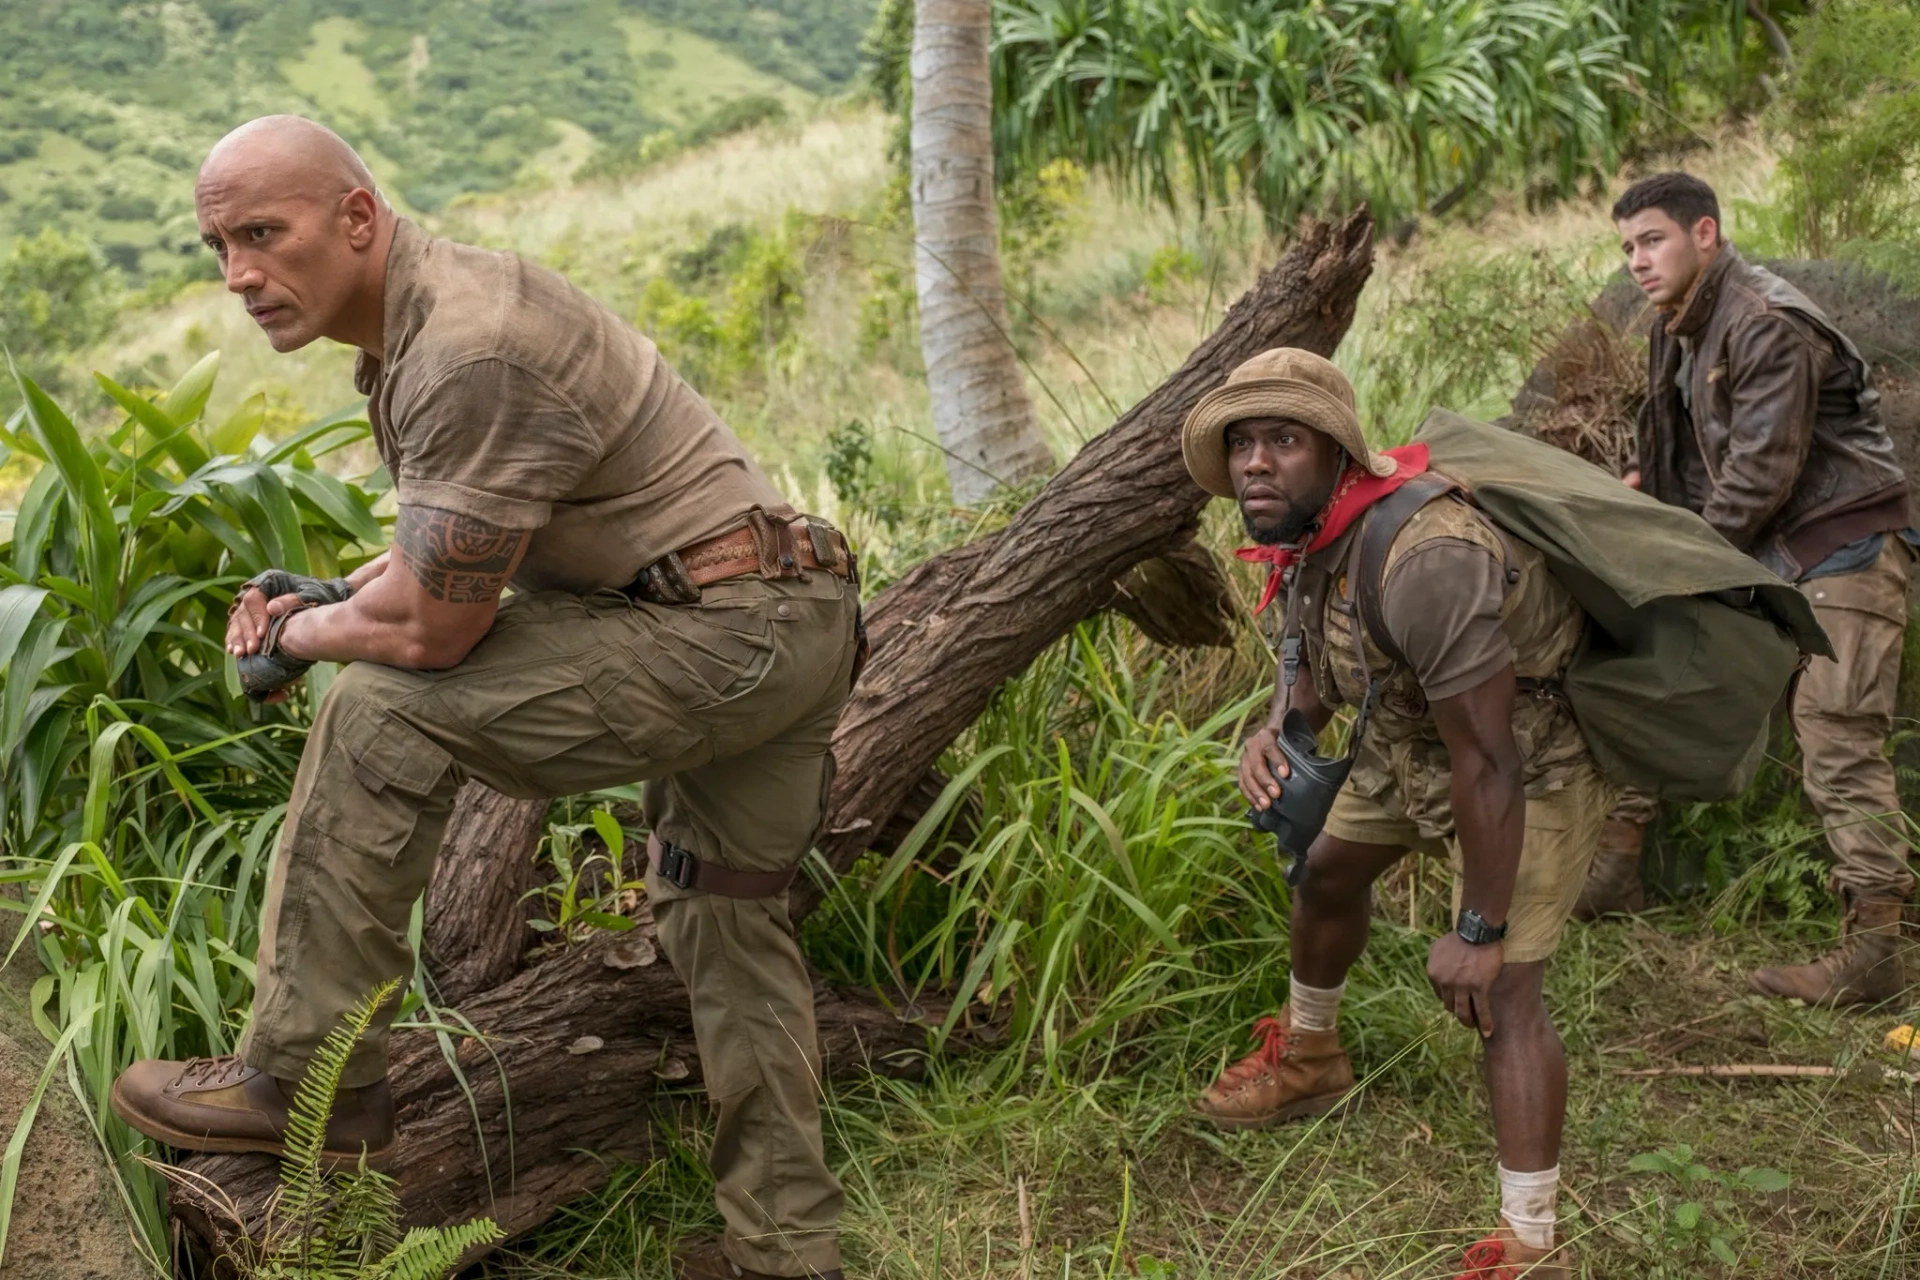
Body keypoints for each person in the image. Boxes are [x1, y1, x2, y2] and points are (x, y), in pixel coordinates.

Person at [107, 116, 859, 1280]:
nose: (238, 275)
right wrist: (330, 588)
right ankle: (788, 1245)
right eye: (216, 245)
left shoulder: (465, 346)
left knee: (380, 707)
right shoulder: (433, 313)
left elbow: (429, 624)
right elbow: (461, 543)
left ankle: (310, 1082)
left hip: (721, 637)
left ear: (356, 216)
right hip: (786, 612)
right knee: (723, 912)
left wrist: (298, 636)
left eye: (262, 233)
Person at [1184, 349, 1615, 1279]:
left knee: (1502, 994)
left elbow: (1489, 759)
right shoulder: (1308, 538)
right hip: (1409, 741)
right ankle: (1310, 1059)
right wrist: (1273, 732)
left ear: (1338, 452)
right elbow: (1312, 669)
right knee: (1328, 871)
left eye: (1284, 439)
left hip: (1528, 758)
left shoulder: (1431, 558)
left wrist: (1477, 927)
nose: (1256, 462)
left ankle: (1531, 1243)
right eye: (1243, 442)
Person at [1603, 171, 1914, 1005]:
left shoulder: (1764, 319)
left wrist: (1676, 564)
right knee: (1660, 677)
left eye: (1653, 239)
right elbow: (1685, 460)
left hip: (1838, 546)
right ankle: (1613, 868)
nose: (1637, 259)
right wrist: (1651, 516)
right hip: (1768, 555)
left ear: (1706, 232)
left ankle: (1878, 952)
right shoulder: (1683, 324)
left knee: (1838, 734)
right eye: (1627, 246)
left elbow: (1761, 474)